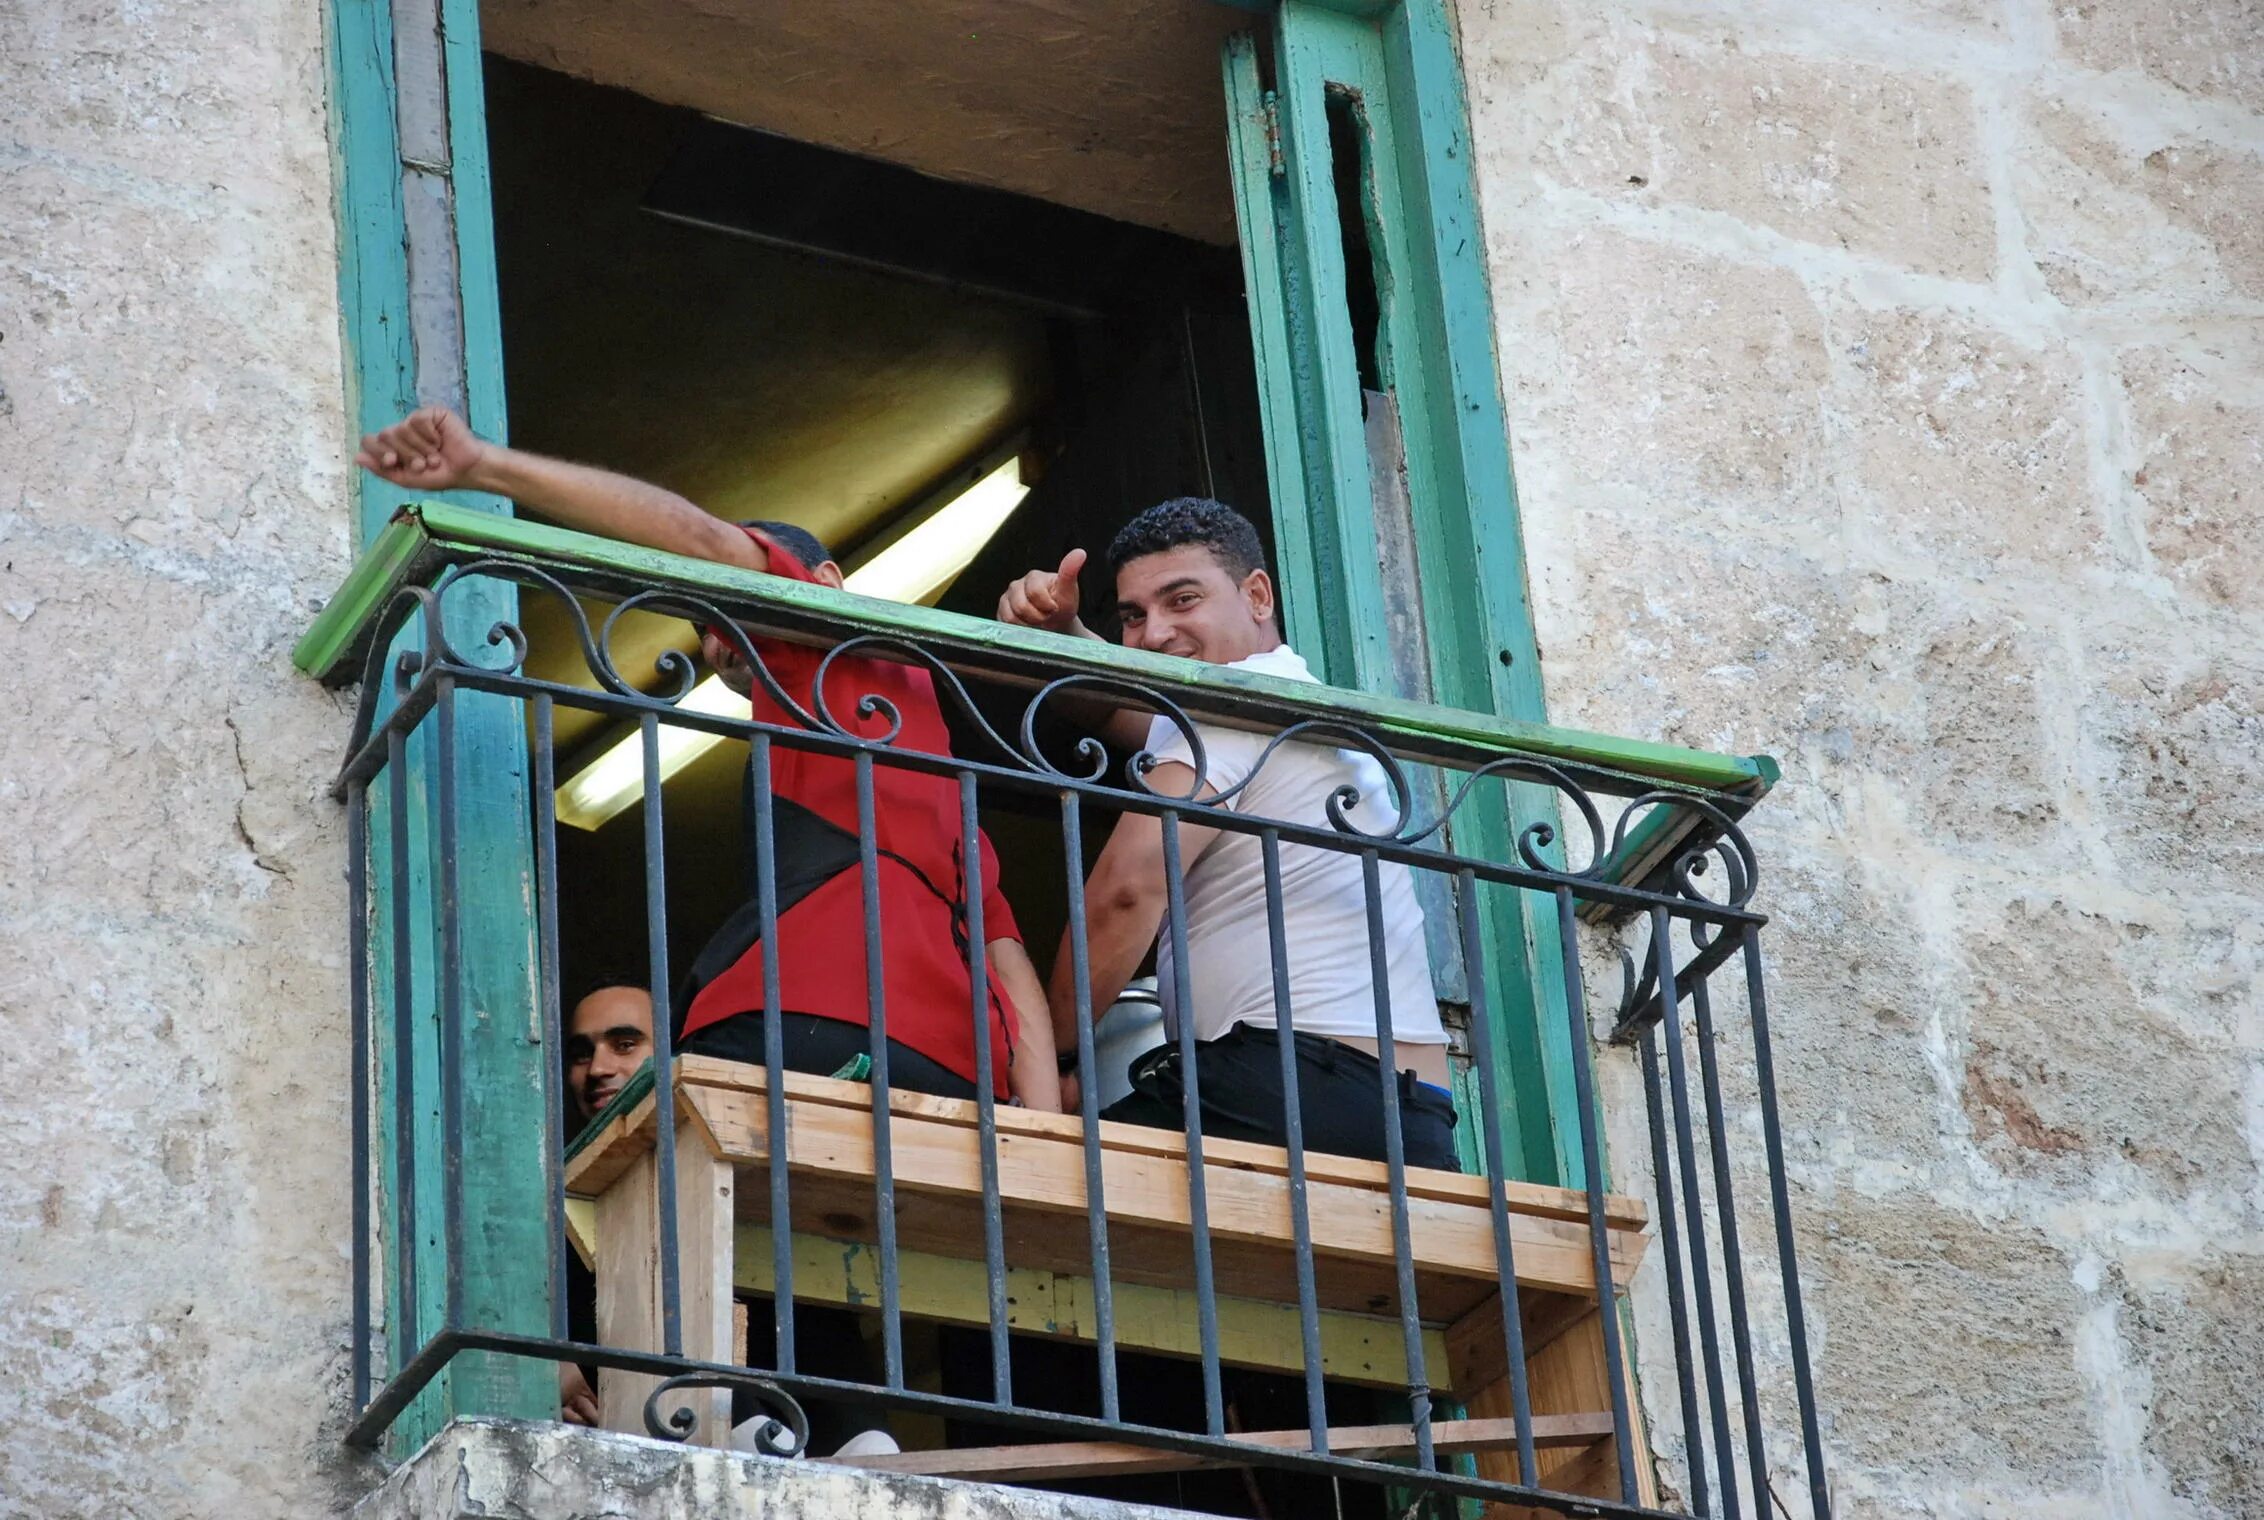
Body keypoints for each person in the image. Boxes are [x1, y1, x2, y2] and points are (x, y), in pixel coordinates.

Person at [356, 409, 1060, 1114]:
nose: (721, 638)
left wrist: (484, 466)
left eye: (727, 607)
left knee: (607, 1164)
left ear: (826, 579)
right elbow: (1007, 964)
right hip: (948, 1070)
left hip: (807, 1022)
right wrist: (1046, 1137)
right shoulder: (938, 783)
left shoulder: (823, 639)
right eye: (705, 626)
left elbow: (697, 538)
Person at [998, 498, 1457, 1170]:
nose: (1154, 634)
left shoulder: (1236, 699)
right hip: (1412, 1120)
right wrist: (1060, 628)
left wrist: (1057, 1059)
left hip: (1289, 1086)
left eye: (1182, 600)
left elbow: (1126, 891)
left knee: (1030, 1177)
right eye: (1132, 616)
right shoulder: (1287, 700)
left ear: (1258, 594)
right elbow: (1116, 708)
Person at [556, 974, 657, 1426]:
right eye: (581, 1053)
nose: (597, 1068)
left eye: (624, 1044)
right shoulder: (549, 1194)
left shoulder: (720, 1176)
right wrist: (548, 1361)